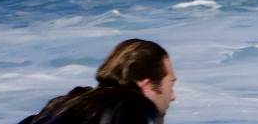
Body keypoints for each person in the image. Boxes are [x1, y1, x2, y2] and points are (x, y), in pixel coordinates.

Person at [18, 39, 178, 124]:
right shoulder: (135, 104)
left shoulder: (62, 103)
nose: (172, 96)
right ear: (147, 85)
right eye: (170, 84)